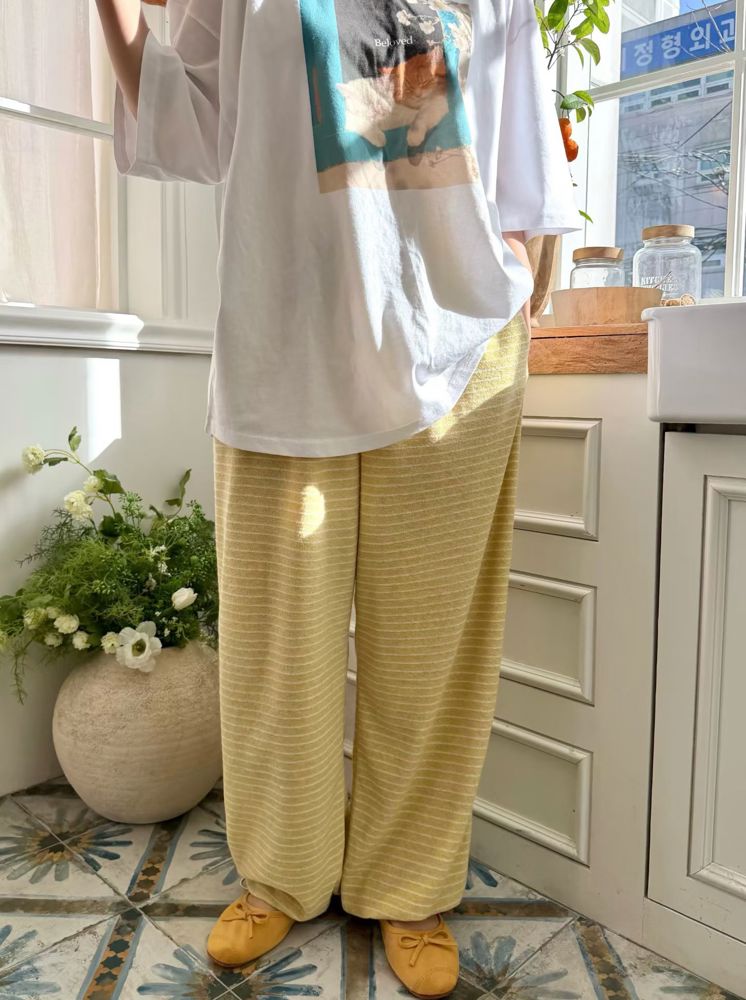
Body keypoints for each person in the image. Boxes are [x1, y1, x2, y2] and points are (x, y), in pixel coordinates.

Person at [96, 0, 580, 995]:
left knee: (431, 651)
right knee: (277, 652)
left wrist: (512, 280)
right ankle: (281, 872)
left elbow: (525, 153)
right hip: (281, 344)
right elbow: (186, 120)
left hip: (453, 348)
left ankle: (409, 885)